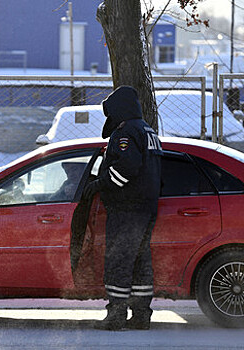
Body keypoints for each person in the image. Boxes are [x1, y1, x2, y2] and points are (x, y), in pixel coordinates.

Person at [83, 85, 162, 331]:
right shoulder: (147, 131)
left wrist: (101, 184)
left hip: (127, 208)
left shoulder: (126, 132)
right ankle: (141, 316)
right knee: (140, 263)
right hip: (146, 208)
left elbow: (127, 168)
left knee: (118, 261)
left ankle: (116, 316)